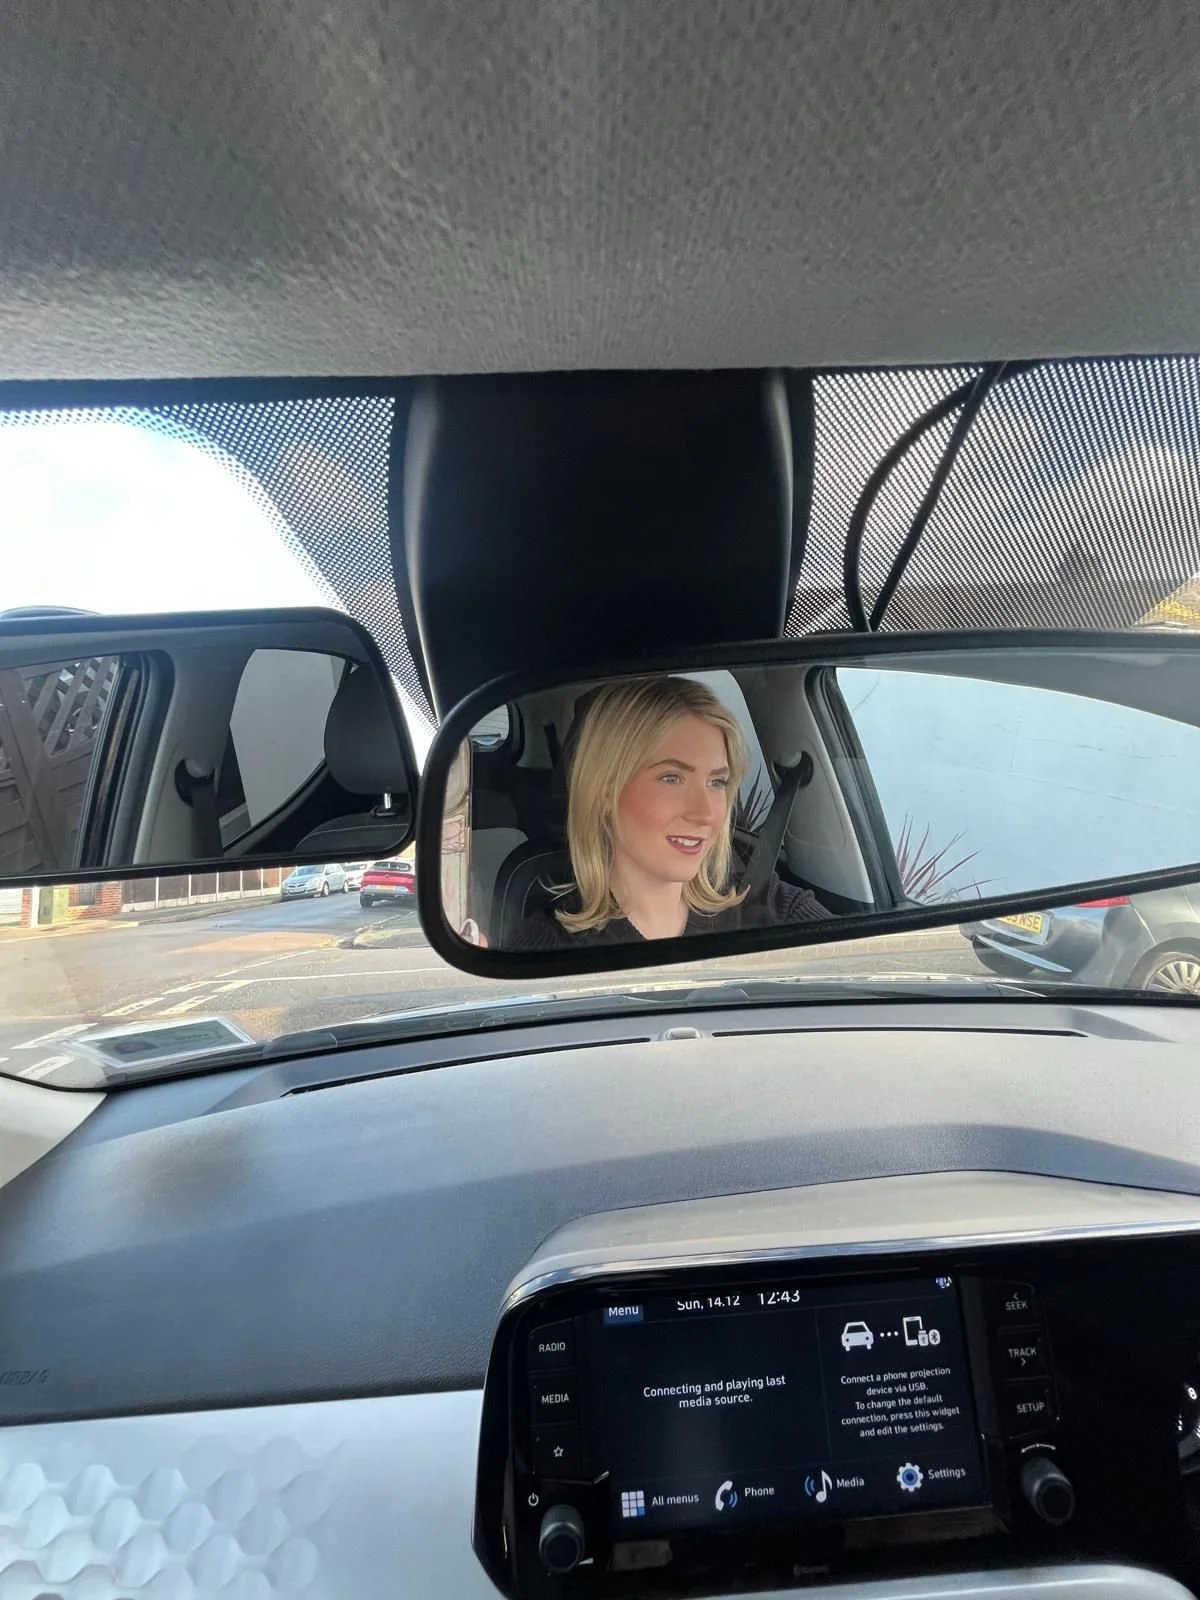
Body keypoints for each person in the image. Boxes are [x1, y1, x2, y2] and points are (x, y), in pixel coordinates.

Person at [508, 675, 831, 949]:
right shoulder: (545, 949)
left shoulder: (773, 908)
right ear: (605, 791)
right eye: (672, 778)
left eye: (717, 782)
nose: (706, 814)